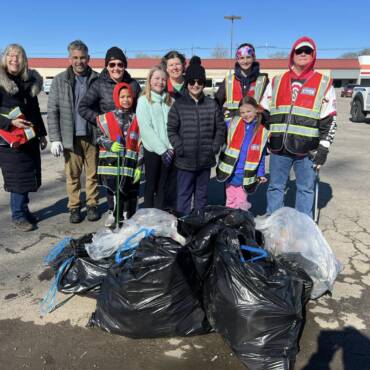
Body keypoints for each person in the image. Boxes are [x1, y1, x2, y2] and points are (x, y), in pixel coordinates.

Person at [266, 36, 337, 217]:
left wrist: (324, 148)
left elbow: (329, 119)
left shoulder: (324, 82)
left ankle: (302, 232)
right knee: (275, 187)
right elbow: (264, 113)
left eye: (307, 51)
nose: (303, 54)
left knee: (305, 190)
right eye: (299, 51)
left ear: (313, 55)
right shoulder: (276, 81)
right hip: (278, 148)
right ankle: (275, 229)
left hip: (307, 151)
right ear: (292, 54)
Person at [47, 40, 100, 224]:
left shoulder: (97, 79)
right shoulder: (60, 80)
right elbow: (52, 111)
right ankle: (75, 207)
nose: (79, 61)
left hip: (92, 136)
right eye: (75, 57)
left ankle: (92, 204)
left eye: (82, 57)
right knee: (73, 176)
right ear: (69, 58)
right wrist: (55, 138)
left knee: (93, 174)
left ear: (88, 58)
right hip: (70, 137)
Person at [167, 56, 225, 215]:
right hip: (185, 160)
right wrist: (180, 147)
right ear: (187, 83)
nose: (196, 85)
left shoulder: (211, 104)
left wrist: (214, 147)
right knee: (184, 194)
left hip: (205, 160)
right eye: (192, 82)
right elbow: (171, 129)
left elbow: (220, 128)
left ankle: (199, 223)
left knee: (201, 195)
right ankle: (184, 223)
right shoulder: (179, 105)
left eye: (200, 82)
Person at [0, 44, 47, 231]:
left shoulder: (28, 82)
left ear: (24, 60)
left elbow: (34, 111)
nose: (14, 59)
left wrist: (42, 134)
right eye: (10, 55)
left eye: (18, 56)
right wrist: (10, 123)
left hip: (29, 137)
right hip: (9, 141)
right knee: (18, 179)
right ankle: (18, 215)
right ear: (5, 58)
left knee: (29, 177)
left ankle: (24, 209)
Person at [96, 82, 142, 227]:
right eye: (122, 96)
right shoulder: (105, 118)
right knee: (114, 192)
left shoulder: (138, 118)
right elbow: (97, 137)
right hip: (111, 165)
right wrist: (109, 144)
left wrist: (139, 167)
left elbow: (142, 144)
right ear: (116, 98)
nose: (126, 99)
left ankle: (131, 218)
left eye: (129, 96)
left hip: (130, 167)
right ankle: (114, 215)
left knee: (130, 194)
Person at [216, 96, 269, 210]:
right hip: (230, 173)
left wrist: (260, 173)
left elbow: (261, 156)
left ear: (256, 110)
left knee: (241, 203)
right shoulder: (232, 124)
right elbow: (219, 128)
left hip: (245, 175)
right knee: (230, 201)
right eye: (242, 112)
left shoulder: (262, 131)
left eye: (249, 111)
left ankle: (240, 224)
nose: (246, 115)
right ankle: (229, 223)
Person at [136, 66, 175, 209]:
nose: (160, 82)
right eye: (157, 78)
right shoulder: (143, 101)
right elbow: (146, 129)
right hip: (153, 151)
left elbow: (174, 127)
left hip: (169, 152)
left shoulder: (170, 102)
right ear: (150, 81)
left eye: (163, 79)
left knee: (163, 186)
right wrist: (162, 150)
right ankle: (148, 215)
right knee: (151, 185)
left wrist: (170, 148)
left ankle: (159, 216)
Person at [215, 43, 270, 117]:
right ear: (237, 59)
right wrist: (224, 112)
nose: (245, 61)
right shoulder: (229, 81)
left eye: (248, 57)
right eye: (242, 58)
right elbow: (216, 105)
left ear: (254, 58)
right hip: (233, 127)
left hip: (255, 126)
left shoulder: (264, 81)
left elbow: (268, 109)